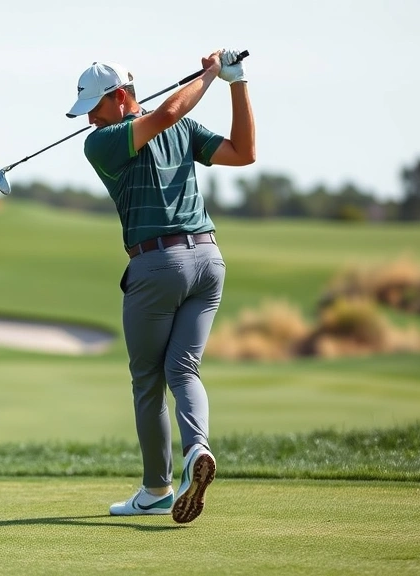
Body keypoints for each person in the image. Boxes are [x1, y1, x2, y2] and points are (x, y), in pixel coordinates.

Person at [66, 49, 254, 524]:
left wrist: (223, 77)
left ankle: (156, 489)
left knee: (148, 381)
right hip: (209, 260)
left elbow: (239, 150)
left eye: (94, 105)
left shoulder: (111, 138)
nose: (88, 117)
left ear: (122, 97)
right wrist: (232, 80)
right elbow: (237, 150)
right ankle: (197, 451)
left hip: (158, 266)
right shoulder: (108, 140)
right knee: (184, 369)